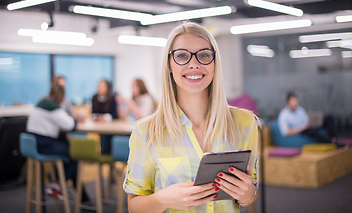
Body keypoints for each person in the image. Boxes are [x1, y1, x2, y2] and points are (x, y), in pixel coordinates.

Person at [123, 22, 259, 213]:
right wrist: (164, 199)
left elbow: (249, 195)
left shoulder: (246, 123)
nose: (193, 63)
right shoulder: (146, 131)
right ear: (169, 65)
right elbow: (134, 207)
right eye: (181, 56)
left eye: (204, 55)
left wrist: (247, 194)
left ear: (214, 62)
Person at [26, 77, 90, 204]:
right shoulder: (53, 107)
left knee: (69, 154)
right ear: (61, 95)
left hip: (34, 143)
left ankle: (82, 199)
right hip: (44, 144)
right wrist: (76, 119)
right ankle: (55, 182)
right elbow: (70, 125)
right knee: (76, 156)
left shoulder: (42, 102)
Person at [91, 79, 120, 153]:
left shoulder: (112, 98)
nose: (100, 88)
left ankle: (107, 155)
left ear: (107, 87)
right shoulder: (94, 98)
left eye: (103, 86)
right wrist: (97, 117)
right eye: (99, 86)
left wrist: (104, 118)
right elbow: (93, 113)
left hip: (110, 127)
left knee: (106, 138)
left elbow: (115, 115)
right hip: (98, 126)